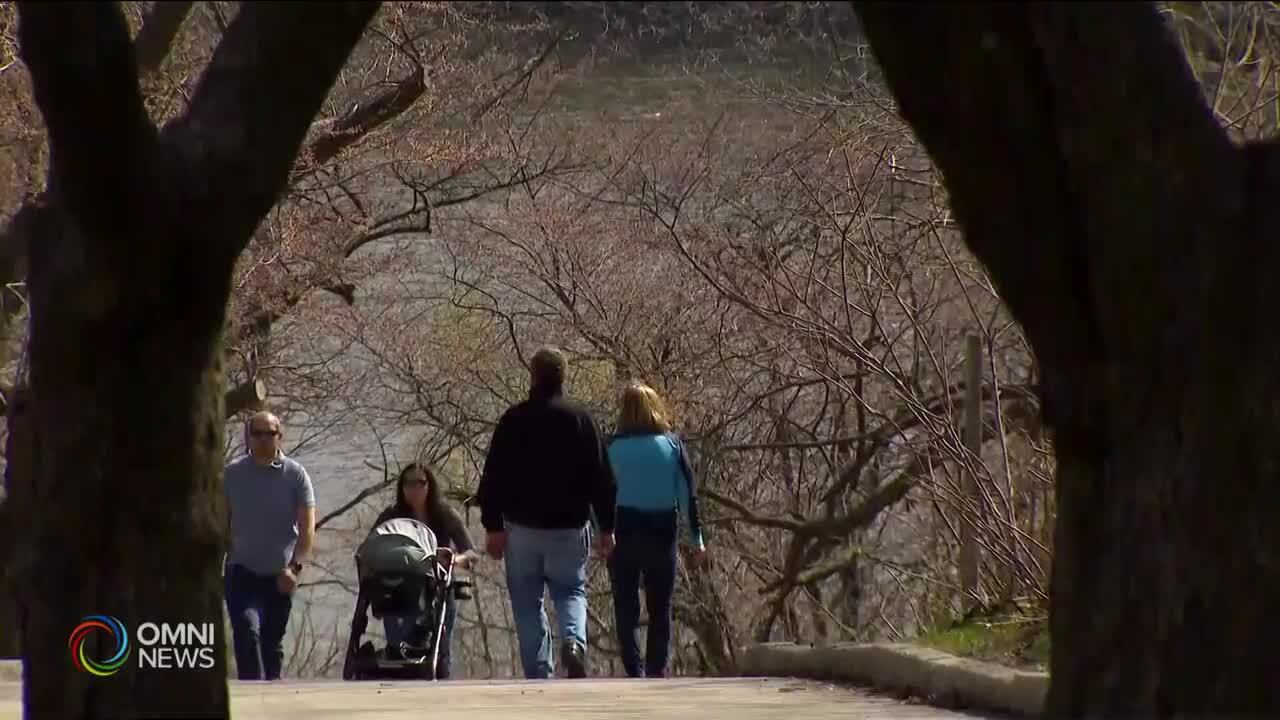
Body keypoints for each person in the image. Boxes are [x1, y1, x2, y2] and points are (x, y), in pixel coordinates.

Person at [476, 346, 617, 679]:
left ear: (532, 374)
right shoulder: (581, 420)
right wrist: (607, 527)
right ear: (563, 376)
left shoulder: (514, 419)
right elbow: (602, 479)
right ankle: (573, 641)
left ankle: (539, 669)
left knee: (527, 601)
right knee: (570, 590)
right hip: (569, 526)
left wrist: (493, 526)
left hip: (521, 528)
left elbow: (493, 477)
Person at [605, 382, 706, 679]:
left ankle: (633, 668)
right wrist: (696, 539)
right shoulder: (673, 445)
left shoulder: (611, 447)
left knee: (626, 605)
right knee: (660, 606)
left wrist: (601, 532)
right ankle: (656, 667)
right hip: (662, 530)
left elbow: (599, 494)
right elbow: (688, 495)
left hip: (622, 529)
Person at [222, 410, 317, 681]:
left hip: (280, 575)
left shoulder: (296, 475)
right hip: (241, 570)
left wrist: (295, 567)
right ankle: (250, 699)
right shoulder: (232, 474)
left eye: (270, 433)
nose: (264, 439)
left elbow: (307, 527)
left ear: (280, 437)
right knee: (245, 631)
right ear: (249, 438)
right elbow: (219, 522)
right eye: (257, 433)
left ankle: (272, 697)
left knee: (271, 643)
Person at [372, 462, 477, 678]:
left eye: (420, 482)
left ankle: (440, 671)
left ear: (430, 486)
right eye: (408, 484)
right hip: (400, 587)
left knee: (441, 648)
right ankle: (396, 654)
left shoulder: (445, 514)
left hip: (438, 586)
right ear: (402, 488)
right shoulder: (391, 516)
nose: (414, 489)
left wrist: (453, 559)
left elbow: (471, 554)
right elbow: (372, 545)